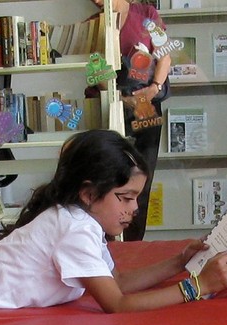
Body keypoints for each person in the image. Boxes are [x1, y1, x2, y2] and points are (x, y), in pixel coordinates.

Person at [0, 130, 227, 312]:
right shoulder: (75, 229)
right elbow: (117, 304)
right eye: (125, 198)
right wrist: (200, 286)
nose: (134, 208)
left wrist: (180, 262)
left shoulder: (82, 221)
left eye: (136, 198)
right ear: (89, 193)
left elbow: (116, 282)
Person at [89, 0, 171, 241]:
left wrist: (153, 89)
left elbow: (164, 55)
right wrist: (123, 98)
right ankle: (106, 240)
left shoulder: (147, 14)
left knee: (142, 176)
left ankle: (134, 242)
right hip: (109, 103)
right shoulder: (93, 24)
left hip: (146, 102)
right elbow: (95, 72)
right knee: (107, 177)